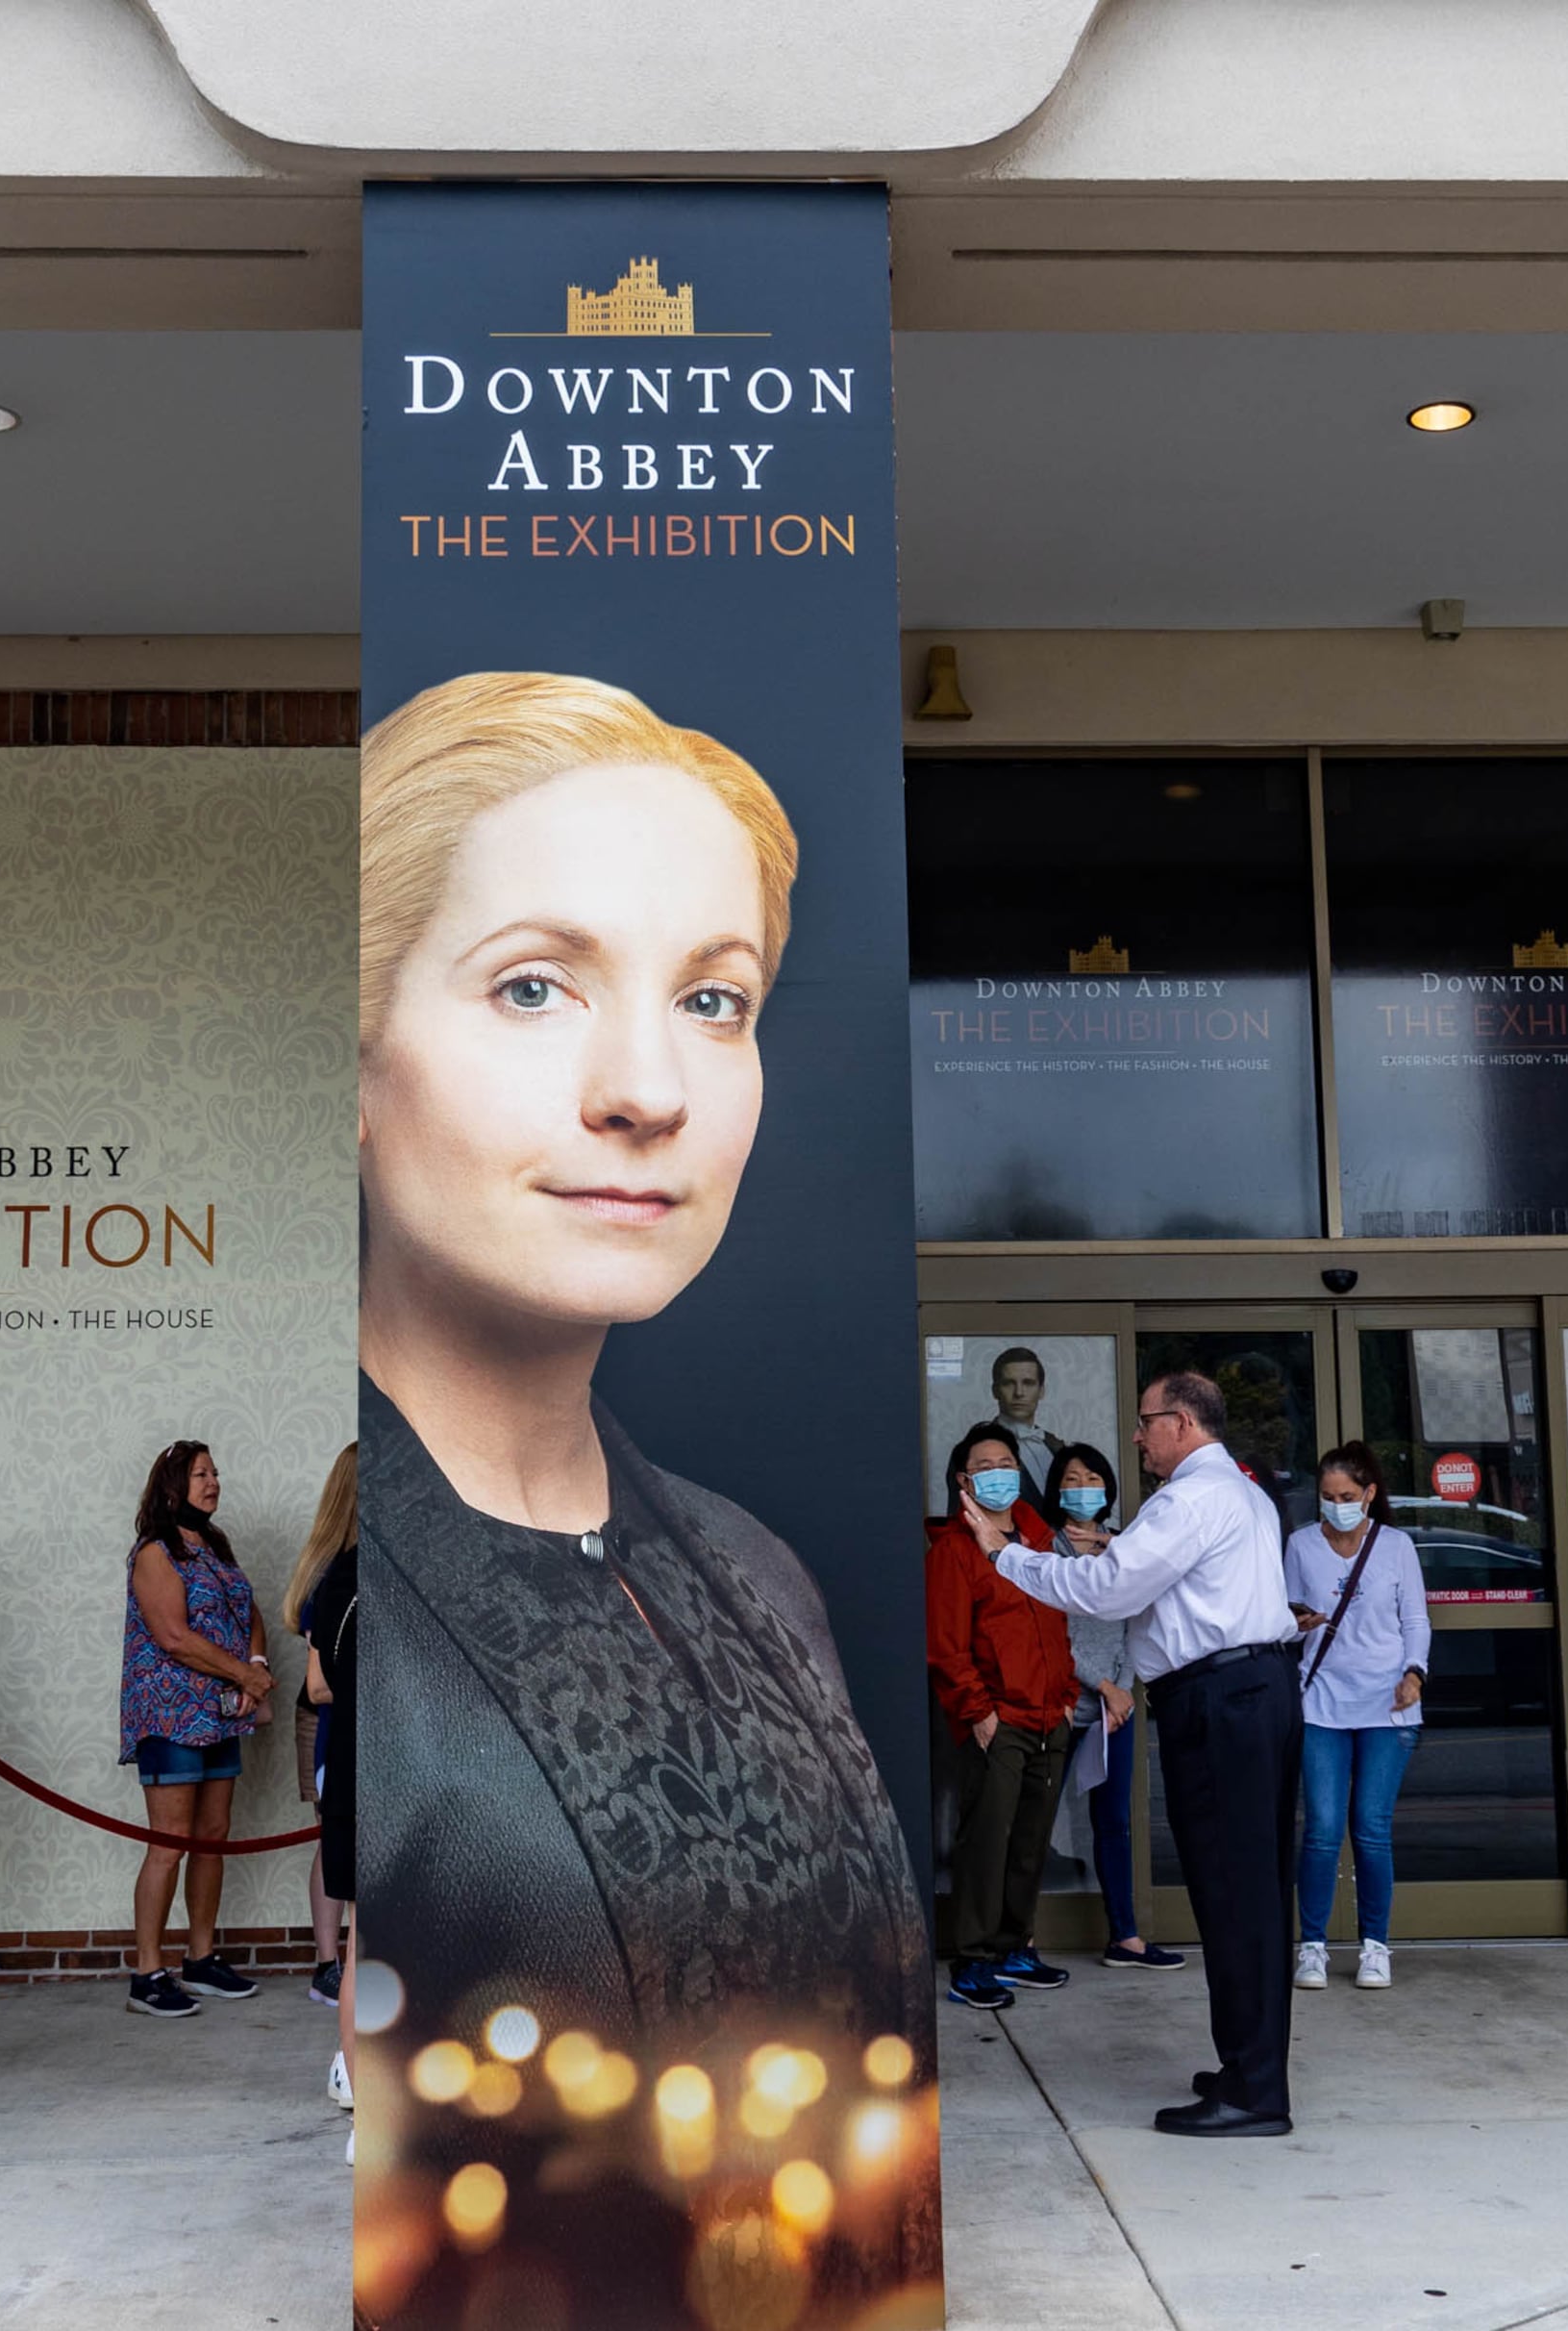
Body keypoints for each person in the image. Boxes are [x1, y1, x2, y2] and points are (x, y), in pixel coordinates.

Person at [354, 670, 937, 2320]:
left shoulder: (756, 1567)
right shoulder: (366, 1603)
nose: (649, 1088)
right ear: (354, 1049)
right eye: (534, 986)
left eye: (715, 1000)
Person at [997, 1369, 1303, 2139]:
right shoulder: (1239, 1491)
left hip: (1222, 1701)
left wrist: (1006, 1554)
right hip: (1252, 1693)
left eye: (1146, 1421)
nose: (1136, 1436)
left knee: (1233, 1893)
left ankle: (1255, 2093)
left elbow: (1108, 1592)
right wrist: (1117, 1547)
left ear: (1184, 1424)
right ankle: (1249, 2068)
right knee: (1253, 1891)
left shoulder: (1189, 1499)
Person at [930, 1425, 1078, 2013]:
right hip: (998, 1721)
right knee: (987, 1843)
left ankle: (1015, 1947)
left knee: (1031, 1842)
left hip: (1048, 1716)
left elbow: (1059, 1623)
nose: (999, 1473)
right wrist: (979, 1713)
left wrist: (1065, 1695)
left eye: (1006, 1462)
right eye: (985, 1466)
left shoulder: (1039, 1540)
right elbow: (947, 1647)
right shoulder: (953, 1551)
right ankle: (973, 1960)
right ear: (964, 1482)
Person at [117, 1440, 267, 2017]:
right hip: (170, 1714)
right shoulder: (155, 1552)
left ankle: (200, 1958)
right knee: (170, 1842)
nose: (213, 1482)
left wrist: (255, 1664)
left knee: (212, 1835)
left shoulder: (215, 1546)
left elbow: (248, 1612)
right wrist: (243, 1675)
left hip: (222, 1713)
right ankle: (147, 1972)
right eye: (201, 1474)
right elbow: (174, 1636)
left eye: (215, 1473)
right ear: (172, 1487)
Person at [1284, 1443, 1429, 1994]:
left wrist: (1415, 1673)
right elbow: (1283, 1615)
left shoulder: (1395, 1546)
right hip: (1320, 1700)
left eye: (1347, 1496)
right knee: (1322, 1829)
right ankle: (1312, 1946)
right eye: (1327, 1497)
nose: (1337, 1506)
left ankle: (1375, 1946)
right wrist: (1299, 1622)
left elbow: (1415, 1620)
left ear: (1369, 1494)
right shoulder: (1301, 1545)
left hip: (1387, 1703)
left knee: (1370, 1829)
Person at [1050, 1441, 1178, 1971]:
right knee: (1035, 1822)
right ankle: (1018, 1940)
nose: (1083, 1488)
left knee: (1113, 1822)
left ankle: (1124, 1937)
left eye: (1092, 1478)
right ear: (1057, 1488)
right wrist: (1103, 1684)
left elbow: (1134, 1625)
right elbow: (1053, 1635)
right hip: (1061, 1704)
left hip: (1115, 1710)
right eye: (1072, 1479)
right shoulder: (1046, 1550)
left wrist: (1121, 1689)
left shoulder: (1123, 1547)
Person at [286, 1447, 359, 2017]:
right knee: (333, 1843)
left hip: (343, 1727)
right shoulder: (337, 1574)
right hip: (332, 1726)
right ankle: (328, 1962)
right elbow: (319, 1685)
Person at [988, 1345, 1058, 1507]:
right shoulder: (974, 1449)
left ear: (1041, 1391)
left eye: (1028, 1383)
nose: (1019, 1393)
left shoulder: (1055, 1445)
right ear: (995, 1391)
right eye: (1009, 1383)